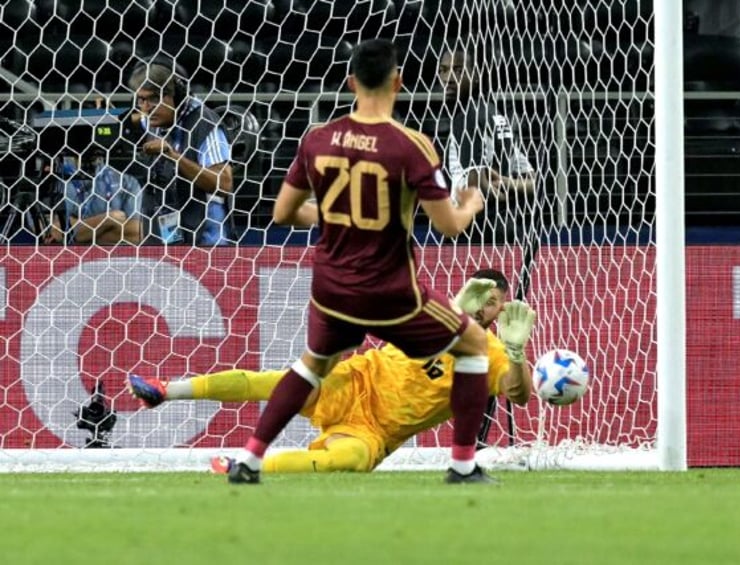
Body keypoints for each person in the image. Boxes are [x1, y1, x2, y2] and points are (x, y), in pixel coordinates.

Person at [228, 38, 492, 485]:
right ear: (398, 81)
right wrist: (471, 202)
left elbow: (282, 213)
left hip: (332, 292)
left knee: (311, 365)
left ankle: (250, 461)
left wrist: (333, 217)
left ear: (351, 82)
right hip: (392, 294)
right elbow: (449, 226)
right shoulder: (413, 146)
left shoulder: (318, 139)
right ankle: (463, 466)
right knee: (475, 347)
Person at [128, 270, 536, 474]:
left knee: (351, 459)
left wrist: (517, 352)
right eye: (481, 294)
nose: (486, 305)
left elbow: (517, 394)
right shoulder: (433, 312)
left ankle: (246, 468)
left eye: (495, 301)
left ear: (503, 309)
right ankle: (167, 390)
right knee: (275, 381)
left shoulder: (496, 352)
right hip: (353, 381)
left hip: (376, 430)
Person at [436, 45, 538, 245]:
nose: (448, 78)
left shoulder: (467, 118)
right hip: (507, 228)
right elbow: (534, 183)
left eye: (458, 70)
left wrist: (494, 191)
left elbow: (476, 188)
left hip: (473, 232)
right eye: (443, 70)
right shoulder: (497, 115)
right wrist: (507, 184)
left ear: (475, 75)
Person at [127, 57, 234, 245]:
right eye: (141, 99)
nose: (147, 108)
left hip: (207, 243)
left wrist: (173, 155)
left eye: (154, 98)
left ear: (178, 95)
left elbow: (223, 184)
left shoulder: (205, 124)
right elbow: (137, 118)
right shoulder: (152, 119)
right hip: (170, 235)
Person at [45, 152, 143, 245]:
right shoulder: (57, 181)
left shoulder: (127, 183)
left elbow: (137, 233)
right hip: (68, 258)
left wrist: (81, 233)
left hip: (114, 259)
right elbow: (52, 232)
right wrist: (109, 219)